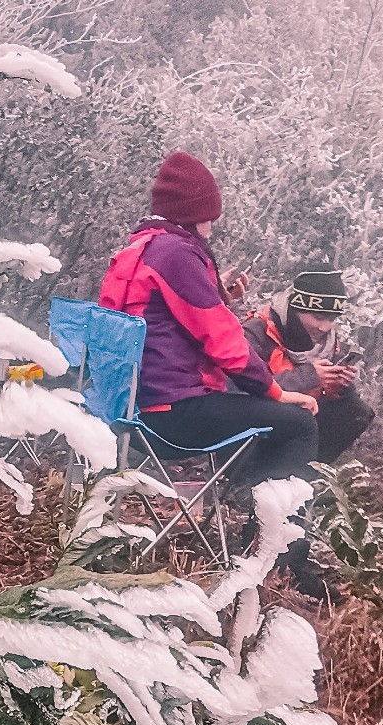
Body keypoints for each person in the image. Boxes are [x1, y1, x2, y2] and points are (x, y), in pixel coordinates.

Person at [99, 153, 319, 486]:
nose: (211, 226)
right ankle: (279, 533)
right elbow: (221, 337)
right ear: (194, 214)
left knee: (257, 411)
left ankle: (257, 516)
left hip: (130, 408)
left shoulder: (142, 250)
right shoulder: (177, 254)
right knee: (299, 423)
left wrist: (217, 296)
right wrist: (274, 391)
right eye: (209, 217)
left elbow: (165, 322)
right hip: (172, 415)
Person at [243, 266, 375, 465]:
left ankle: (311, 476)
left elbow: (327, 396)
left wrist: (337, 386)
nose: (325, 327)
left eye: (332, 319)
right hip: (254, 416)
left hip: (302, 415)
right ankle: (257, 479)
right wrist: (310, 376)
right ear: (296, 310)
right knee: (299, 416)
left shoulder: (328, 341)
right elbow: (244, 388)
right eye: (318, 317)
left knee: (356, 411)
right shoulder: (257, 331)